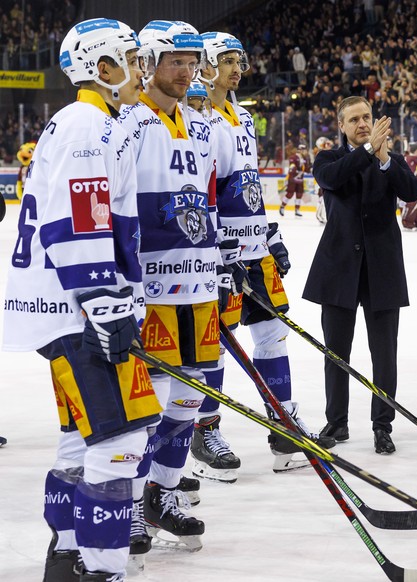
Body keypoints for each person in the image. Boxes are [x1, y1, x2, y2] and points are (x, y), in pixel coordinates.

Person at [2, 18, 160, 581]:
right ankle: (102, 569)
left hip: (65, 307)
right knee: (121, 442)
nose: (141, 70)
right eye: (132, 59)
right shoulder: (88, 124)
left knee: (81, 437)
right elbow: (79, 221)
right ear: (103, 69)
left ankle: (66, 556)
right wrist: (106, 303)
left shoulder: (88, 122)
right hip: (78, 308)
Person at [191, 31, 333, 481]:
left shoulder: (243, 118)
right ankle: (203, 431)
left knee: (272, 333)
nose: (237, 68)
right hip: (222, 252)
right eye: (227, 60)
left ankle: (283, 425)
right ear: (206, 64)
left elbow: (248, 186)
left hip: (254, 248)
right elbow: (202, 193)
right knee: (215, 340)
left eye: (239, 60)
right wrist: (215, 252)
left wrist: (269, 233)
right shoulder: (197, 118)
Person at [117, 19, 216, 552]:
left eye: (192, 61)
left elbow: (205, 203)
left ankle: (165, 491)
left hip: (198, 287)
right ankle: (132, 504)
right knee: (148, 401)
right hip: (151, 290)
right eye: (176, 60)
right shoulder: (129, 124)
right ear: (150, 62)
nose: (186, 71)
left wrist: (222, 261)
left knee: (189, 399)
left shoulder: (200, 127)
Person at [304, 96, 417, 454]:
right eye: (354, 119)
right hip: (338, 269)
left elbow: (412, 191)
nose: (362, 123)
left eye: (367, 117)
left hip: (382, 271)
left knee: (384, 354)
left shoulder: (391, 161)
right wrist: (370, 150)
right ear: (341, 126)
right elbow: (332, 179)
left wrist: (384, 158)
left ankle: (382, 424)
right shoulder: (329, 158)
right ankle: (337, 422)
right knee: (336, 353)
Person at [279, 142, 308, 216]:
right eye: (304, 150)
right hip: (292, 179)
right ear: (300, 150)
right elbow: (292, 167)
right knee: (290, 194)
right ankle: (282, 207)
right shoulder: (293, 157)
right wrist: (295, 171)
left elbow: (307, 168)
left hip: (300, 179)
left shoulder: (305, 158)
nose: (305, 151)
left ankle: (297, 210)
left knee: (299, 194)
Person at [313, 136, 333, 224]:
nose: (328, 145)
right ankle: (319, 215)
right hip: (319, 180)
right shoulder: (320, 154)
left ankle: (321, 216)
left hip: (323, 178)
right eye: (326, 144)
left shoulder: (324, 153)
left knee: (323, 198)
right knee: (321, 198)